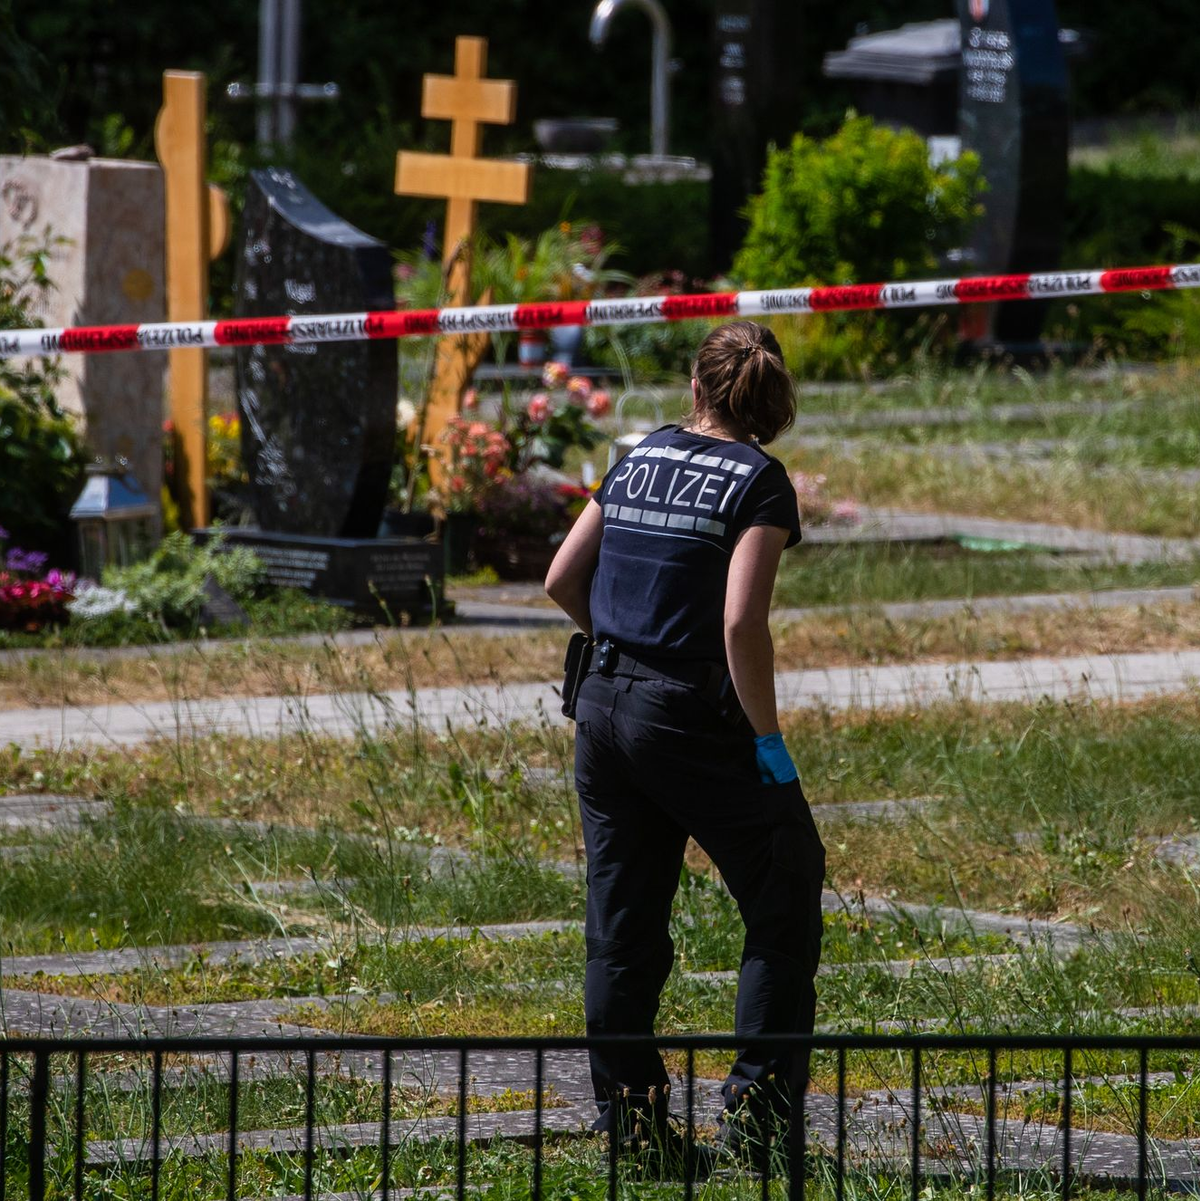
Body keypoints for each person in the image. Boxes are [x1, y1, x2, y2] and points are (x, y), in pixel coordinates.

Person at [544, 320, 826, 1177]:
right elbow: (741, 622)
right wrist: (767, 738)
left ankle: (636, 1136)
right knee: (783, 889)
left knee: (622, 929)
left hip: (601, 703)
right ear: (769, 402)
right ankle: (756, 1125)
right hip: (690, 716)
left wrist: (622, 654)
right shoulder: (759, 482)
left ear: (695, 390)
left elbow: (561, 578)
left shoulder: (638, 455)